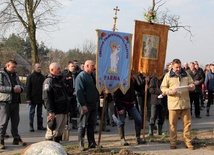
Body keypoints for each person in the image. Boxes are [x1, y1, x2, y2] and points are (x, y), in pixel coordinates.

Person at [160, 58, 195, 150]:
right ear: (172, 66)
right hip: (173, 104)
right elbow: (163, 87)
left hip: (185, 103)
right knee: (172, 125)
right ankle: (173, 142)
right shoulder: (168, 76)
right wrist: (169, 91)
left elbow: (192, 83)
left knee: (187, 124)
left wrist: (191, 86)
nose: (178, 69)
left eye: (179, 67)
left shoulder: (186, 74)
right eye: (176, 67)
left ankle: (188, 142)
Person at [114, 74, 146, 146]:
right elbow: (116, 95)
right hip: (122, 104)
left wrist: (145, 81)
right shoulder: (119, 79)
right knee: (121, 122)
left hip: (131, 104)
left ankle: (138, 138)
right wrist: (119, 108)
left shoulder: (132, 78)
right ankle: (122, 139)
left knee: (138, 119)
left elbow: (138, 88)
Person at [0, 60, 26, 149]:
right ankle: (1, 139)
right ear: (7, 65)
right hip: (5, 102)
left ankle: (16, 138)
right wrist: (11, 89)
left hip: (15, 101)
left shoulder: (16, 75)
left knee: (15, 121)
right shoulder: (2, 74)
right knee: (3, 122)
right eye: (13, 67)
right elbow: (0, 87)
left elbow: (21, 85)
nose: (14, 69)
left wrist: (21, 89)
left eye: (15, 67)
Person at [75, 60, 99, 151]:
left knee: (91, 124)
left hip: (93, 103)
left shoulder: (91, 76)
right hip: (85, 104)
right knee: (83, 124)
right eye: (92, 66)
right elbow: (79, 92)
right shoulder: (81, 77)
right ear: (87, 66)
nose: (94, 67)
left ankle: (91, 143)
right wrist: (83, 104)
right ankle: (81, 144)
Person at [43, 62, 68, 143]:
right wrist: (50, 111)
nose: (60, 70)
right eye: (58, 69)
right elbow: (46, 97)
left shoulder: (59, 80)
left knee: (59, 133)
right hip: (55, 111)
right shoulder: (48, 81)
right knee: (52, 132)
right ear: (52, 70)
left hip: (63, 110)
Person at [26, 63, 46, 132]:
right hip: (32, 98)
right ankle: (31, 126)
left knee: (39, 113)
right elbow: (28, 88)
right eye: (38, 67)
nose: (39, 68)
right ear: (34, 68)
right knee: (32, 113)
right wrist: (28, 98)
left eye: (40, 67)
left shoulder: (42, 77)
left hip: (40, 98)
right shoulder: (30, 77)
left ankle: (40, 125)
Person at [61, 61, 78, 129]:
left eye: (74, 66)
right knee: (68, 110)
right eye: (72, 66)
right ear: (68, 67)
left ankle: (74, 124)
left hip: (75, 94)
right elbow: (65, 85)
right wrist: (71, 92)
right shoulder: (65, 75)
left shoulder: (76, 74)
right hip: (68, 95)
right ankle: (66, 124)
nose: (73, 68)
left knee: (74, 110)